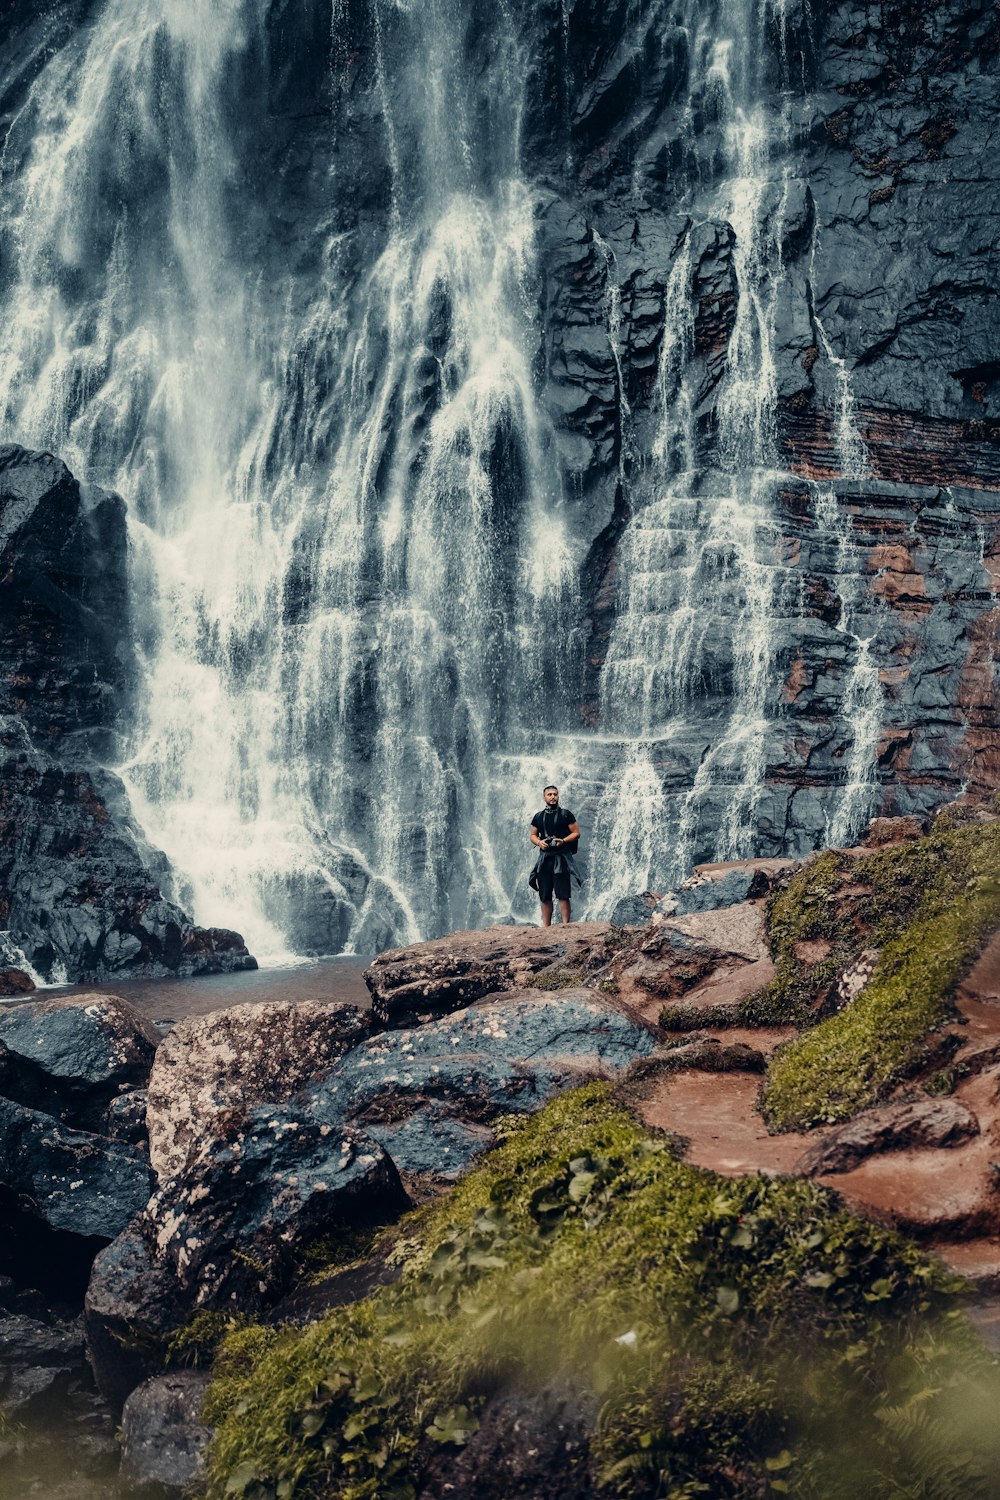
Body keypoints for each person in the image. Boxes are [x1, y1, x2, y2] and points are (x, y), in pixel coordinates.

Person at [528, 784, 581, 926]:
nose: (553, 797)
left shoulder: (566, 814)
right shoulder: (539, 816)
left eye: (555, 794)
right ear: (544, 797)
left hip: (561, 859)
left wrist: (563, 840)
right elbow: (533, 835)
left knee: (563, 894)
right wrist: (539, 843)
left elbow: (576, 833)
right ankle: (546, 927)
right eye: (550, 794)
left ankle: (565, 925)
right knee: (544, 894)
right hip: (545, 859)